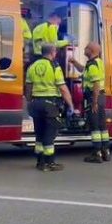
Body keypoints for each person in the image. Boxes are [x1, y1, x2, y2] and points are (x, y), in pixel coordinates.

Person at [26, 43, 75, 172]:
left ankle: (39, 162)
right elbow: (63, 89)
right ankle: (49, 163)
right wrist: (70, 105)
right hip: (50, 104)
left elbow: (28, 88)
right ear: (53, 53)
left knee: (39, 134)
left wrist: (30, 102)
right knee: (49, 134)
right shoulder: (54, 67)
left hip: (36, 103)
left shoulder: (32, 66)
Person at [69, 42, 110, 163]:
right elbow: (83, 70)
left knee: (95, 127)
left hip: (94, 97)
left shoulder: (92, 65)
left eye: (86, 48)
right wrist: (74, 62)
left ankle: (96, 153)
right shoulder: (97, 62)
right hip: (101, 97)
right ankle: (105, 152)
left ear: (91, 50)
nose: (84, 49)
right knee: (102, 126)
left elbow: (96, 84)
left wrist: (94, 102)